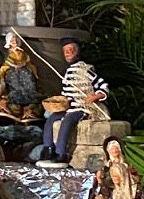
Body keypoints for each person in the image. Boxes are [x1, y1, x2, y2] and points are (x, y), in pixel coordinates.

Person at [36, 37, 109, 165]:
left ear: (77, 51)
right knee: (51, 119)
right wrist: (62, 102)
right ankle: (48, 148)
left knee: (68, 120)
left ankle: (61, 152)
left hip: (82, 108)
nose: (68, 53)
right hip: (70, 107)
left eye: (71, 50)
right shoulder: (67, 73)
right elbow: (66, 93)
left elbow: (103, 86)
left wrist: (95, 96)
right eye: (65, 51)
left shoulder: (86, 70)